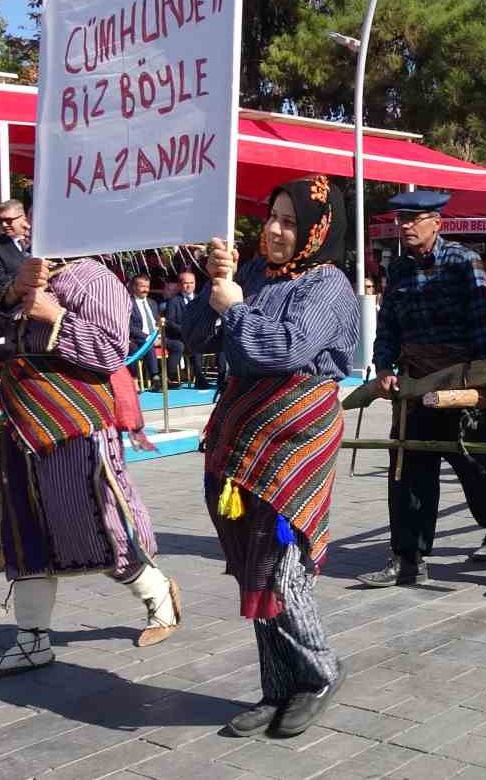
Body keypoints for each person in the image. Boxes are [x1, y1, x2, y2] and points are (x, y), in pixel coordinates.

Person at [183, 176, 357, 738]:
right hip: (244, 436)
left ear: (316, 231)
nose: (276, 231)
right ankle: (278, 687)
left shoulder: (328, 286)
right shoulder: (254, 273)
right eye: (272, 217)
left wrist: (235, 311)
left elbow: (282, 348)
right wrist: (217, 287)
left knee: (284, 569)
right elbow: (197, 338)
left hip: (293, 440)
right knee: (254, 567)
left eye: (290, 222)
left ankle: (320, 672)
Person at [0, 255, 183, 681]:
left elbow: (111, 351)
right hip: (21, 420)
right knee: (24, 529)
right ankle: (32, 640)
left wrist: (55, 315)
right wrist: (10, 292)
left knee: (96, 526)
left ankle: (158, 596)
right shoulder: (27, 272)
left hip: (75, 420)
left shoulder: (95, 278)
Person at [358, 190, 486, 588]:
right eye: (401, 219)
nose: (405, 226)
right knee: (408, 470)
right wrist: (383, 366)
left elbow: (481, 322)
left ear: (436, 223)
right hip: (414, 384)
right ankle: (408, 559)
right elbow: (389, 324)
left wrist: (481, 380)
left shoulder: (464, 262)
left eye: (414, 219)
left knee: (477, 465)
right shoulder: (397, 269)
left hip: (461, 381)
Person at [127, 274, 181, 385]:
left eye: (147, 286)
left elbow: (157, 322)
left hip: (157, 336)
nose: (145, 289)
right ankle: (155, 377)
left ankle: (166, 377)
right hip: (140, 338)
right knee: (149, 344)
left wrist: (159, 334)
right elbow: (129, 327)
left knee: (178, 345)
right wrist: (149, 338)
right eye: (142, 286)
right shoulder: (128, 303)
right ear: (134, 287)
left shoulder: (152, 303)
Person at [161, 270, 208, 388]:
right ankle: (173, 377)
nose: (189, 286)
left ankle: (200, 376)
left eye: (192, 283)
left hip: (197, 336)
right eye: (186, 283)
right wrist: (185, 330)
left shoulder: (200, 299)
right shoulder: (174, 301)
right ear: (180, 285)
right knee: (189, 344)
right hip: (179, 336)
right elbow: (170, 322)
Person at [0, 199, 30, 289]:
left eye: (8, 220)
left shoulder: (38, 239)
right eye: (0, 221)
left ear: (23, 217)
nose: (4, 225)